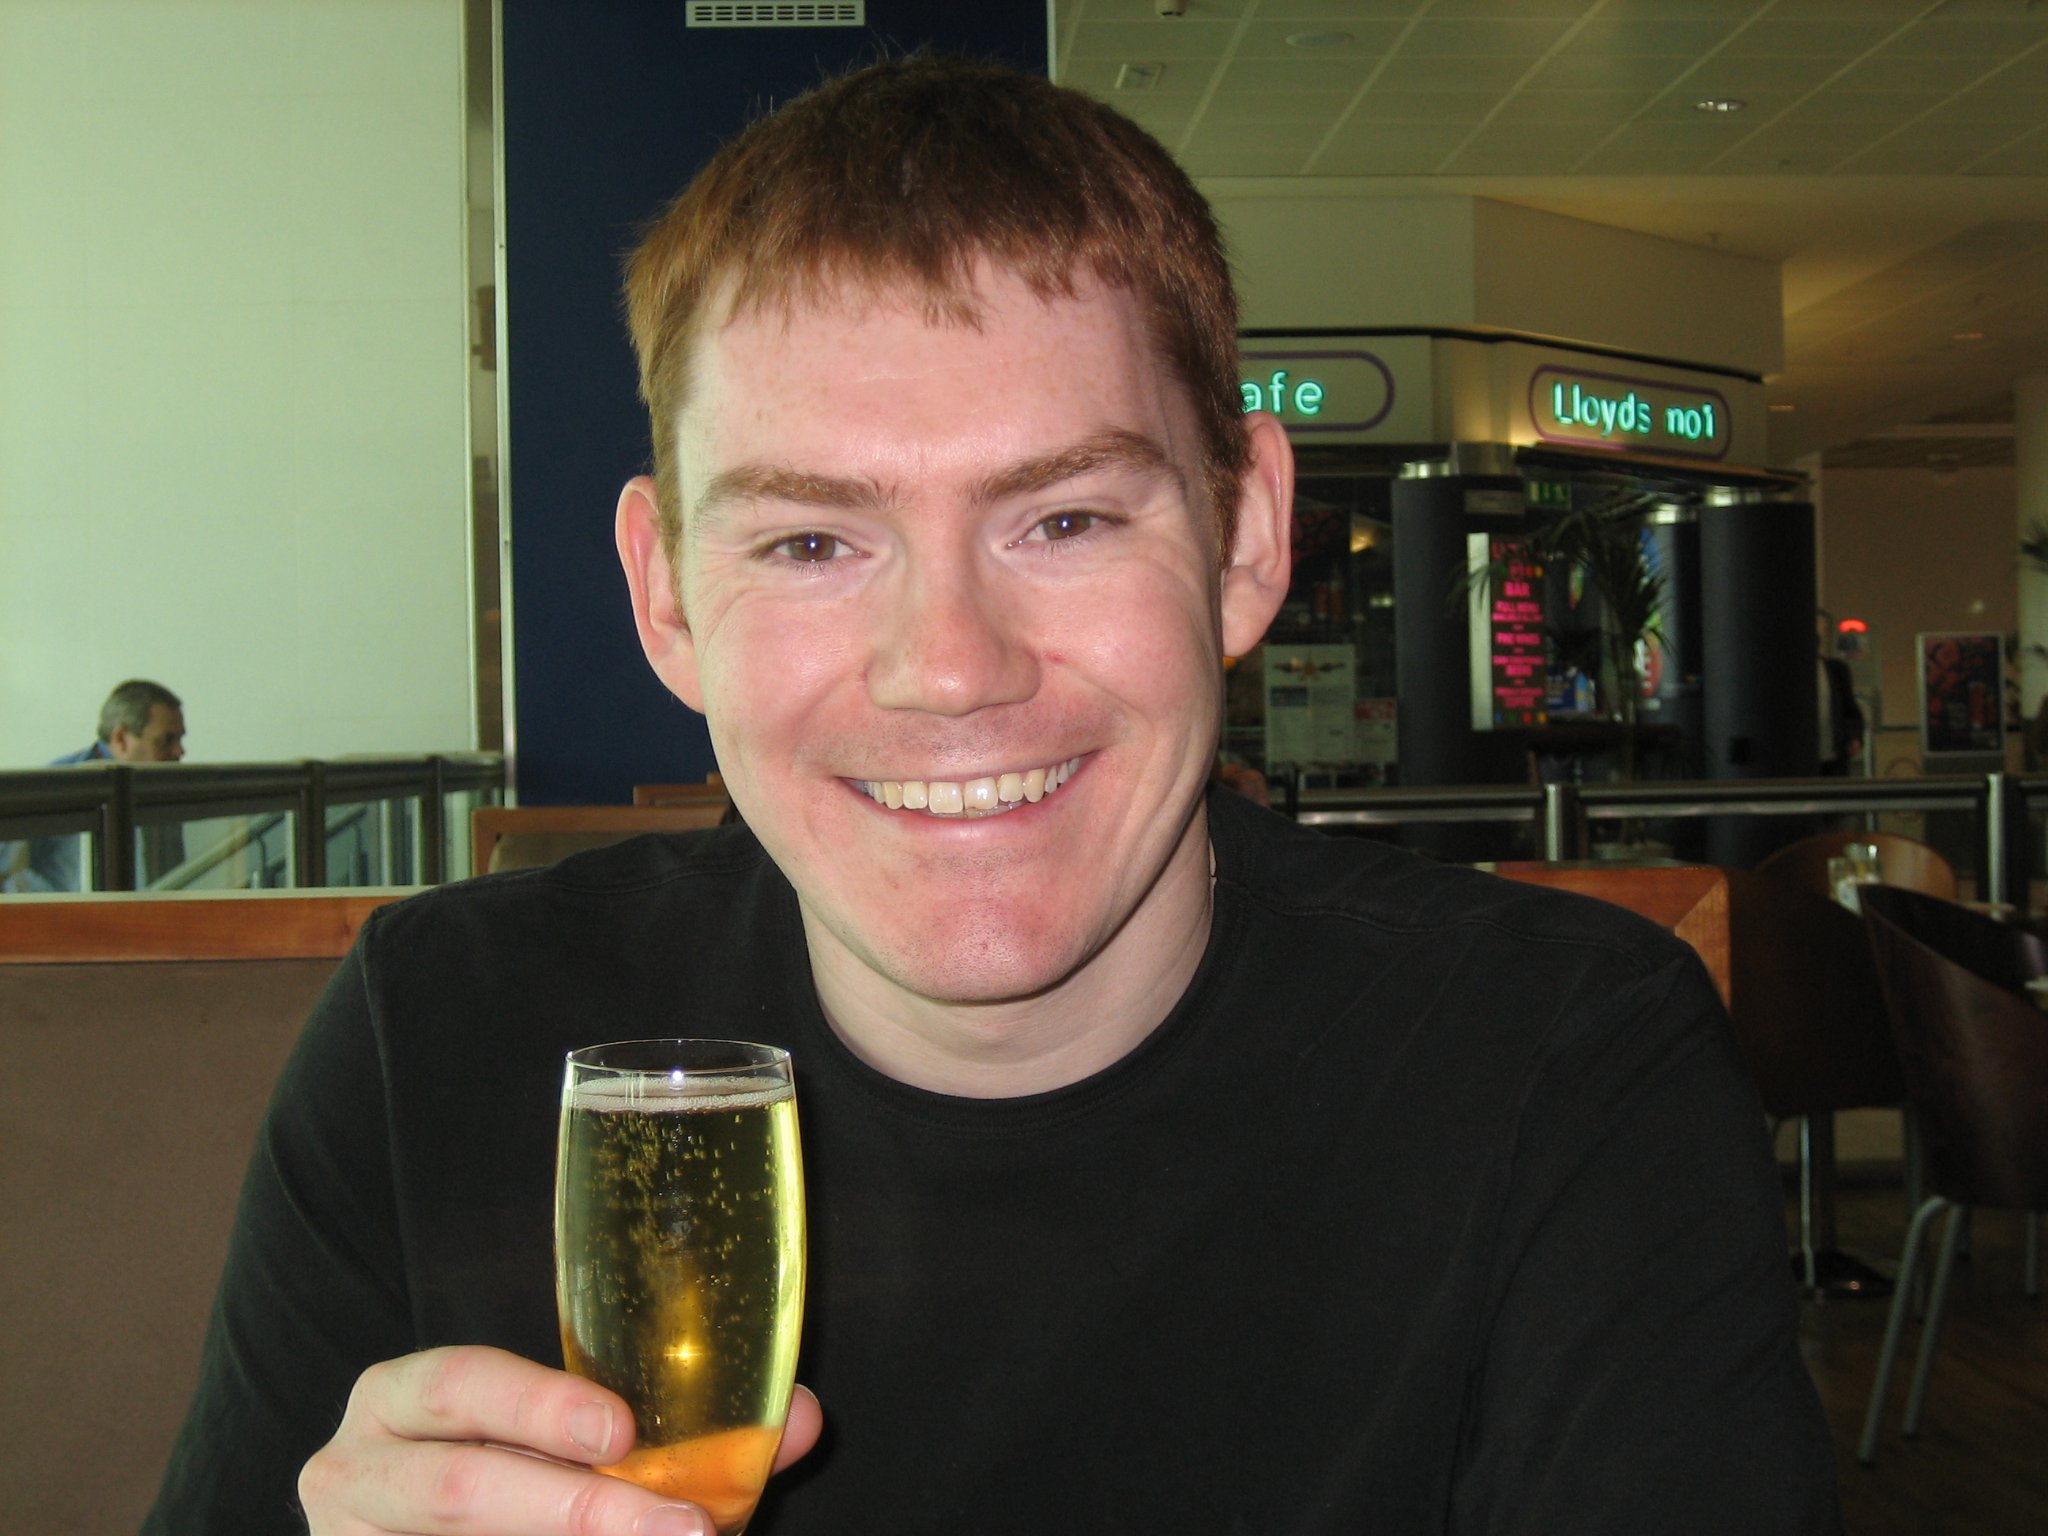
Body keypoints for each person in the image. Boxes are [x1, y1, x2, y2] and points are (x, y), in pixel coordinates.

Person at [145, 58, 1839, 1535]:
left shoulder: (1562, 1069)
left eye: (1065, 520)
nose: (949, 668)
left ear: (1246, 538)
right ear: (667, 600)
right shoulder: (439, 1036)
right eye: (811, 542)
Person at [0, 678, 184, 892]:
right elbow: (8, 873)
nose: (180, 751)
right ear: (121, 739)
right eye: (167, 740)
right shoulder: (56, 787)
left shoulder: (167, 788)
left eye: (180, 739)